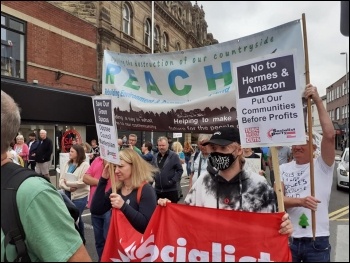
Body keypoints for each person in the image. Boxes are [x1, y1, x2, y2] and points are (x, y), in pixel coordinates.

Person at [1, 90, 91, 262]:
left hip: (75, 194)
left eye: (72, 150)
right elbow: (63, 177)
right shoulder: (62, 162)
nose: (41, 136)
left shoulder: (34, 193)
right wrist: (64, 184)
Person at [158, 127, 293, 236]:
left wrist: (284, 227)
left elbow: (272, 228)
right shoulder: (203, 182)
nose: (217, 153)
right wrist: (170, 210)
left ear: (239, 150)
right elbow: (186, 217)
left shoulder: (259, 185)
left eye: (223, 148)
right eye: (214, 149)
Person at [280, 84, 335, 262]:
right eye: (294, 143)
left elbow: (329, 135)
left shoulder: (322, 166)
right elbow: (278, 199)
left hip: (317, 240)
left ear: (313, 148)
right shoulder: (283, 168)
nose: (296, 147)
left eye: (302, 142)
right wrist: (301, 202)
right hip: (289, 238)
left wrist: (318, 100)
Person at [90, 148, 158, 234]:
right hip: (119, 243)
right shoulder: (117, 189)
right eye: (115, 166)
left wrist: (123, 206)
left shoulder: (146, 190)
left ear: (134, 167)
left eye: (121, 166)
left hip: (137, 244)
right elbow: (96, 209)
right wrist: (103, 179)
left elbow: (146, 225)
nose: (116, 170)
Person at [59, 144, 90, 241]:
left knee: (73, 218)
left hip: (80, 196)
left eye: (72, 151)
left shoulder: (85, 165)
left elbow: (83, 182)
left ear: (78, 153)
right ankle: (81, 239)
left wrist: (68, 183)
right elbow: (61, 180)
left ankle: (77, 240)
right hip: (67, 194)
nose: (69, 153)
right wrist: (68, 187)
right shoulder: (67, 164)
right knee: (77, 218)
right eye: (70, 151)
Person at [83, 156, 112, 262]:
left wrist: (96, 181)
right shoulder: (96, 160)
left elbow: (109, 169)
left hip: (108, 206)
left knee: (108, 238)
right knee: (99, 241)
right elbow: (85, 178)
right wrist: (101, 182)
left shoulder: (115, 160)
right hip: (94, 205)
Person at [152, 136, 183, 203]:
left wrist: (172, 181)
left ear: (167, 145)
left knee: (171, 212)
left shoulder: (174, 156)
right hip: (158, 191)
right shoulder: (155, 156)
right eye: (159, 145)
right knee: (158, 212)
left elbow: (180, 170)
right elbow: (152, 170)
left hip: (171, 191)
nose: (161, 147)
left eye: (163, 145)